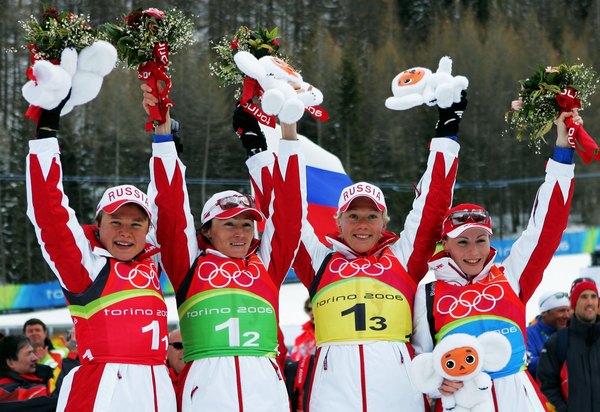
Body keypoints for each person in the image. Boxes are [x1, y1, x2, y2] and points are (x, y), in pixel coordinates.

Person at [246, 92, 466, 410]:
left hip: (399, 392)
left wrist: (446, 134)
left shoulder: (403, 258)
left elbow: (432, 205)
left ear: (384, 221)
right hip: (333, 394)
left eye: (371, 216)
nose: (362, 224)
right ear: (338, 220)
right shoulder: (320, 261)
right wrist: (282, 140)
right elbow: (286, 211)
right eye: (353, 216)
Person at [143, 85, 303, 411]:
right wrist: (163, 142)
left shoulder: (267, 264)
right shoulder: (189, 265)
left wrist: (286, 135)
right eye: (229, 223)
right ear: (207, 230)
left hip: (265, 390)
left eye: (247, 223)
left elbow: (288, 212)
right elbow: (171, 210)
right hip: (207, 391)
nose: (240, 232)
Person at [412, 110, 580, 411]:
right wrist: (437, 384)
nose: (473, 251)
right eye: (462, 242)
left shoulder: (511, 276)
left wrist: (563, 154)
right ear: (446, 245)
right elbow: (420, 359)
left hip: (518, 397)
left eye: (481, 240)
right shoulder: (428, 295)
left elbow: (547, 227)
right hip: (465, 402)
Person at [26, 100, 176, 411]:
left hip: (157, 387)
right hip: (105, 388)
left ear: (147, 228)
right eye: (116, 222)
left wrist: (166, 144)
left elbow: (168, 206)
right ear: (99, 225)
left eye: (136, 224)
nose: (125, 232)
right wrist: (45, 139)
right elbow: (50, 215)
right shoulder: (86, 266)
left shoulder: (152, 261)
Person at [537, 278, 600, 412]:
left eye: (593, 296)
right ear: (573, 304)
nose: (589, 302)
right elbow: (546, 385)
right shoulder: (558, 341)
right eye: (583, 297)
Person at [0, 335, 57, 411]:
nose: (35, 358)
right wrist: (71, 357)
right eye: (29, 353)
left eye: (33, 352)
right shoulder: (5, 390)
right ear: (11, 362)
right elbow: (48, 397)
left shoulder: (38, 374)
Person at [526, 290, 570, 378]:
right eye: (561, 311)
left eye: (568, 310)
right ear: (544, 313)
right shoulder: (528, 334)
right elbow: (530, 365)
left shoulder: (572, 331)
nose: (567, 316)